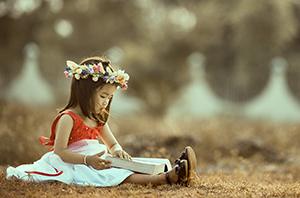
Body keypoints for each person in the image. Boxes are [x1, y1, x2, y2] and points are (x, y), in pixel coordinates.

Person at [6, 56, 197, 187]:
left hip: (100, 160)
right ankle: (167, 179)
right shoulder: (68, 118)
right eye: (103, 96)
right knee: (115, 175)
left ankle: (175, 168)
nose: (106, 102)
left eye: (109, 98)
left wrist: (117, 151)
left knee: (127, 165)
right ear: (85, 92)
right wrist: (88, 160)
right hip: (74, 163)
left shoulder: (97, 118)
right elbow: (60, 151)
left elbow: (111, 142)